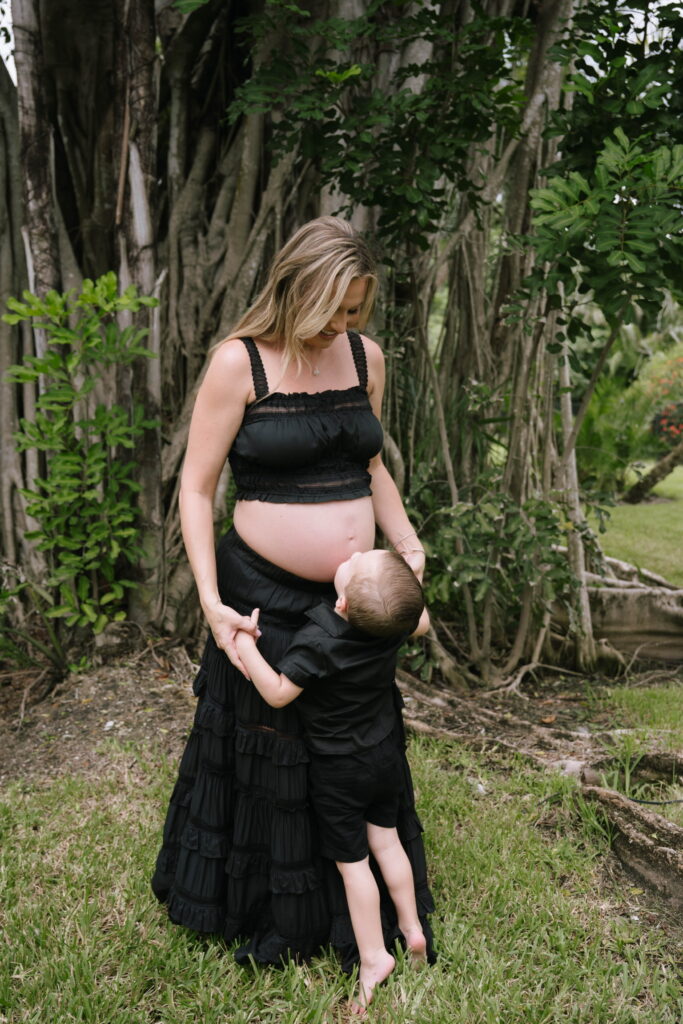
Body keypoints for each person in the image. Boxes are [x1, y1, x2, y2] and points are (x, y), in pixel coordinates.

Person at [151, 215, 434, 970]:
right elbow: (196, 487)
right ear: (296, 289)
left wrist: (407, 547)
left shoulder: (364, 358)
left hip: (356, 601)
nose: (344, 326)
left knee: (352, 743)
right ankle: (274, 913)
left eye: (355, 311)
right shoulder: (238, 363)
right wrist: (209, 600)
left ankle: (371, 915)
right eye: (333, 309)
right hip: (262, 595)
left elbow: (371, 469)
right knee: (272, 747)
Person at [234, 548, 430, 1011]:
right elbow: (418, 619)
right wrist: (410, 578)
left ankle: (374, 956)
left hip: (339, 770)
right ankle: (412, 927)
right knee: (387, 843)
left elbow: (277, 693)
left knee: (353, 864)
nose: (355, 551)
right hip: (384, 756)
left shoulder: (318, 639)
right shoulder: (393, 625)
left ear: (341, 603)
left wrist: (245, 644)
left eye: (358, 561)